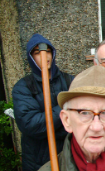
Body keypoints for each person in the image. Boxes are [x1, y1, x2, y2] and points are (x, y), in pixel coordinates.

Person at [12, 34, 74, 171]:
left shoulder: (70, 81)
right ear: (31, 58)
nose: (44, 56)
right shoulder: (23, 88)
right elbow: (31, 125)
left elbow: (81, 116)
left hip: (70, 156)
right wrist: (66, 107)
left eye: (48, 51)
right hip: (38, 161)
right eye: (38, 53)